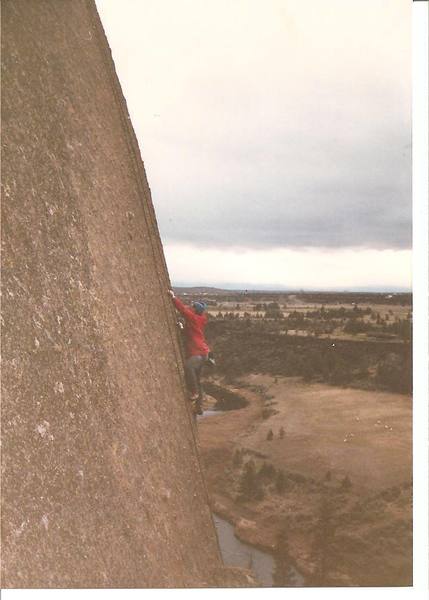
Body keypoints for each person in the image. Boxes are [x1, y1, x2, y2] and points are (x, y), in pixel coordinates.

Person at [168, 289, 209, 413]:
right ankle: (199, 406)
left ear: (195, 310)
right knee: (196, 379)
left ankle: (194, 393)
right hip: (203, 353)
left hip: (198, 353)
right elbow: (191, 333)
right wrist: (182, 328)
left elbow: (183, 310)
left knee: (188, 367)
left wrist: (173, 297)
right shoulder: (198, 320)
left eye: (192, 307)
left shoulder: (194, 318)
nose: (190, 308)